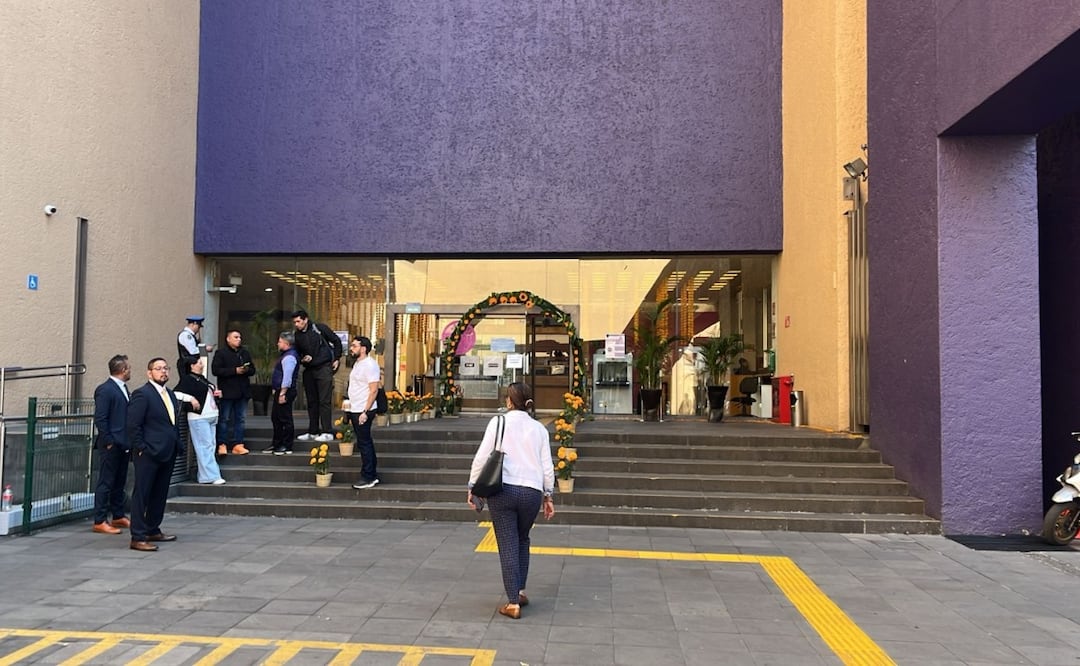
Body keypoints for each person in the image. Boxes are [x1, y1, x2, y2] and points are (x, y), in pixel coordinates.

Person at [467, 382, 556, 620]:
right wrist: (548, 494)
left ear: (508, 401)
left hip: (503, 490)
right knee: (523, 539)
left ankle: (513, 602)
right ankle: (520, 590)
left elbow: (482, 457)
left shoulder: (499, 422)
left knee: (507, 543)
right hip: (531, 492)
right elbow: (547, 466)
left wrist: (473, 487)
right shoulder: (539, 429)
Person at [127, 358, 194, 552]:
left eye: (166, 368)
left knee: (160, 493)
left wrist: (177, 445)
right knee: (142, 494)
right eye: (158, 369)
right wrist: (141, 447)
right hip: (148, 453)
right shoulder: (142, 394)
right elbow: (133, 425)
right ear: (149, 373)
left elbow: (171, 423)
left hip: (168, 451)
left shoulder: (171, 395)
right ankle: (137, 536)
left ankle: (152, 528)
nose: (163, 372)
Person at [91, 354, 132, 535]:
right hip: (112, 443)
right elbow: (101, 417)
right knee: (106, 481)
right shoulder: (106, 389)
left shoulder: (123, 388)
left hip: (123, 442)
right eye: (128, 368)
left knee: (119, 481)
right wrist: (107, 440)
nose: (130, 370)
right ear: (122, 370)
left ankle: (118, 514)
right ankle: (100, 519)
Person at [291, 309, 342, 443]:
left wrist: (336, 358)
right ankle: (313, 430)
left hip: (324, 367)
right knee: (312, 401)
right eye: (295, 322)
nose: (296, 324)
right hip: (309, 369)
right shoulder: (297, 335)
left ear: (305, 319)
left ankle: (327, 431)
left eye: (298, 321)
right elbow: (297, 352)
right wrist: (303, 358)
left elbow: (336, 341)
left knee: (324, 401)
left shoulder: (319, 329)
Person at [175, 357, 226, 485]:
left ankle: (205, 475)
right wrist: (190, 398)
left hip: (210, 415)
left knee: (210, 446)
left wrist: (217, 394)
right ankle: (211, 475)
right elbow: (175, 393)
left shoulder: (202, 379)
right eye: (198, 362)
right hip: (199, 417)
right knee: (204, 446)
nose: (201, 364)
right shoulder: (187, 380)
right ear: (191, 366)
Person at [211, 329, 253, 456]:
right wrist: (234, 371)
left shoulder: (244, 353)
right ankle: (222, 444)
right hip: (227, 391)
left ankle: (238, 444)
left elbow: (253, 369)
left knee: (240, 419)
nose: (239, 339)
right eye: (235, 337)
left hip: (242, 391)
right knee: (224, 418)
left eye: (240, 337)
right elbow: (216, 370)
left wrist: (245, 370)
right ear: (228, 339)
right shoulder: (221, 353)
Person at [347, 336, 381, 489]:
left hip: (363, 409)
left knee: (364, 443)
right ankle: (370, 474)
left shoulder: (370, 365)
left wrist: (365, 411)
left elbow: (374, 390)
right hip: (355, 408)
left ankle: (368, 476)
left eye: (354, 346)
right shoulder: (358, 364)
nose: (351, 348)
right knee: (363, 442)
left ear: (363, 348)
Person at [268, 331, 300, 455]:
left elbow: (287, 377)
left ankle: (286, 445)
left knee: (284, 418)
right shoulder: (285, 355)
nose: (278, 344)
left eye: (280, 341)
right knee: (276, 417)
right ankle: (277, 443)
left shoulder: (289, 357)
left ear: (286, 343)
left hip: (285, 391)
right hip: (280, 390)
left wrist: (282, 393)